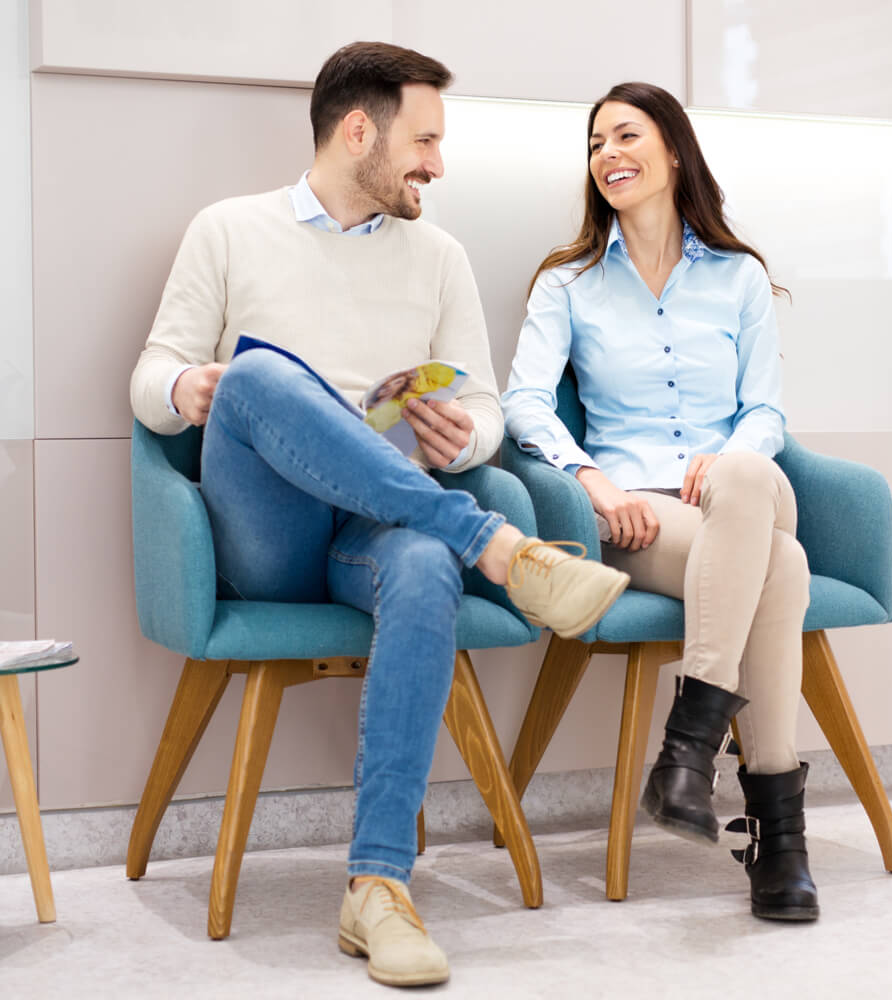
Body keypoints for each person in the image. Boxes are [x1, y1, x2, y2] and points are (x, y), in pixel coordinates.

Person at [130, 42, 629, 988]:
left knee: (425, 563)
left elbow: (486, 409)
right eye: (425, 139)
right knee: (263, 374)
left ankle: (378, 888)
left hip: (383, 525)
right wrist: (192, 384)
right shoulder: (229, 230)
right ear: (359, 131)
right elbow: (150, 380)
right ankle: (503, 548)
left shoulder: (438, 255)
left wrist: (462, 440)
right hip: (270, 533)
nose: (438, 165)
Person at [502, 81, 818, 922]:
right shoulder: (567, 283)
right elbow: (525, 403)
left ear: (673, 150)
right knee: (782, 569)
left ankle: (689, 747)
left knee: (747, 478)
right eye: (596, 142)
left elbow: (767, 412)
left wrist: (728, 461)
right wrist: (591, 481)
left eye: (626, 135)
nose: (608, 153)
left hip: (738, 490)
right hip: (637, 516)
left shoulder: (740, 277)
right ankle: (779, 842)